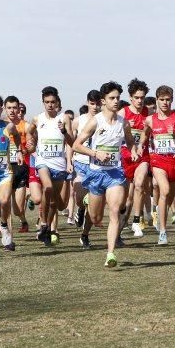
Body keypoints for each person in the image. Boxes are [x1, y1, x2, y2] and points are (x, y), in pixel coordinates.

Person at [73, 81, 139, 267]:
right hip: (95, 174)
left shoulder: (123, 123)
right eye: (112, 98)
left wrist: (133, 150)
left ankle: (110, 253)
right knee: (96, 219)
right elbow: (76, 145)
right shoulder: (96, 121)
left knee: (115, 211)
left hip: (115, 173)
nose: (116, 101)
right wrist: (95, 153)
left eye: (118, 97)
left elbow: (129, 142)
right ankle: (87, 202)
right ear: (103, 101)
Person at [28, 86, 75, 246]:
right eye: (47, 102)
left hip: (59, 165)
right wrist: (30, 142)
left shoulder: (64, 119)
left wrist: (64, 132)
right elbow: (29, 131)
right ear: (43, 103)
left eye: (52, 102)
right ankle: (42, 223)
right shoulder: (37, 119)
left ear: (57, 102)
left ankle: (47, 226)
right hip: (42, 162)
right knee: (47, 188)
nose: (50, 105)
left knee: (58, 204)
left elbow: (71, 143)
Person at [144, 85, 175, 245]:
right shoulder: (150, 120)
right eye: (162, 100)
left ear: (172, 100)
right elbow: (144, 135)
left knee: (170, 199)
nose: (165, 103)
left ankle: (159, 213)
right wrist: (137, 149)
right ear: (157, 100)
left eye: (168, 100)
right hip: (158, 160)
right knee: (165, 190)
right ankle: (162, 231)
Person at [0, 95, 24, 257]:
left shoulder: (8, 126)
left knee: (4, 200)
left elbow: (17, 137)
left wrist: (18, 151)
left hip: (4, 173)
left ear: (2, 109)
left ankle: (4, 225)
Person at [71, 91, 103, 249]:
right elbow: (71, 142)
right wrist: (68, 161)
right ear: (87, 103)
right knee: (79, 200)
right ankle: (80, 209)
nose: (95, 107)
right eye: (92, 103)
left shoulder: (105, 120)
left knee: (93, 204)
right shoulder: (78, 121)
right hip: (80, 164)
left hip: (97, 167)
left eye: (98, 104)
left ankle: (85, 235)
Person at [120, 78, 151, 239]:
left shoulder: (149, 113)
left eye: (142, 98)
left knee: (139, 185)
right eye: (136, 98)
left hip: (142, 156)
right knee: (125, 198)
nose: (139, 101)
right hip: (124, 157)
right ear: (131, 97)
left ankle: (137, 221)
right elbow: (111, 132)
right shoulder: (123, 113)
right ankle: (120, 222)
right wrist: (124, 126)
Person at [3, 95, 32, 239]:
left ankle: (24, 221)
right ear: (5, 108)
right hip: (4, 169)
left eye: (15, 107)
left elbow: (33, 146)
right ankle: (5, 232)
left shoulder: (25, 126)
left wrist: (25, 150)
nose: (12, 110)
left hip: (20, 168)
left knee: (18, 209)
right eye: (9, 108)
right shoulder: (0, 125)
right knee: (2, 201)